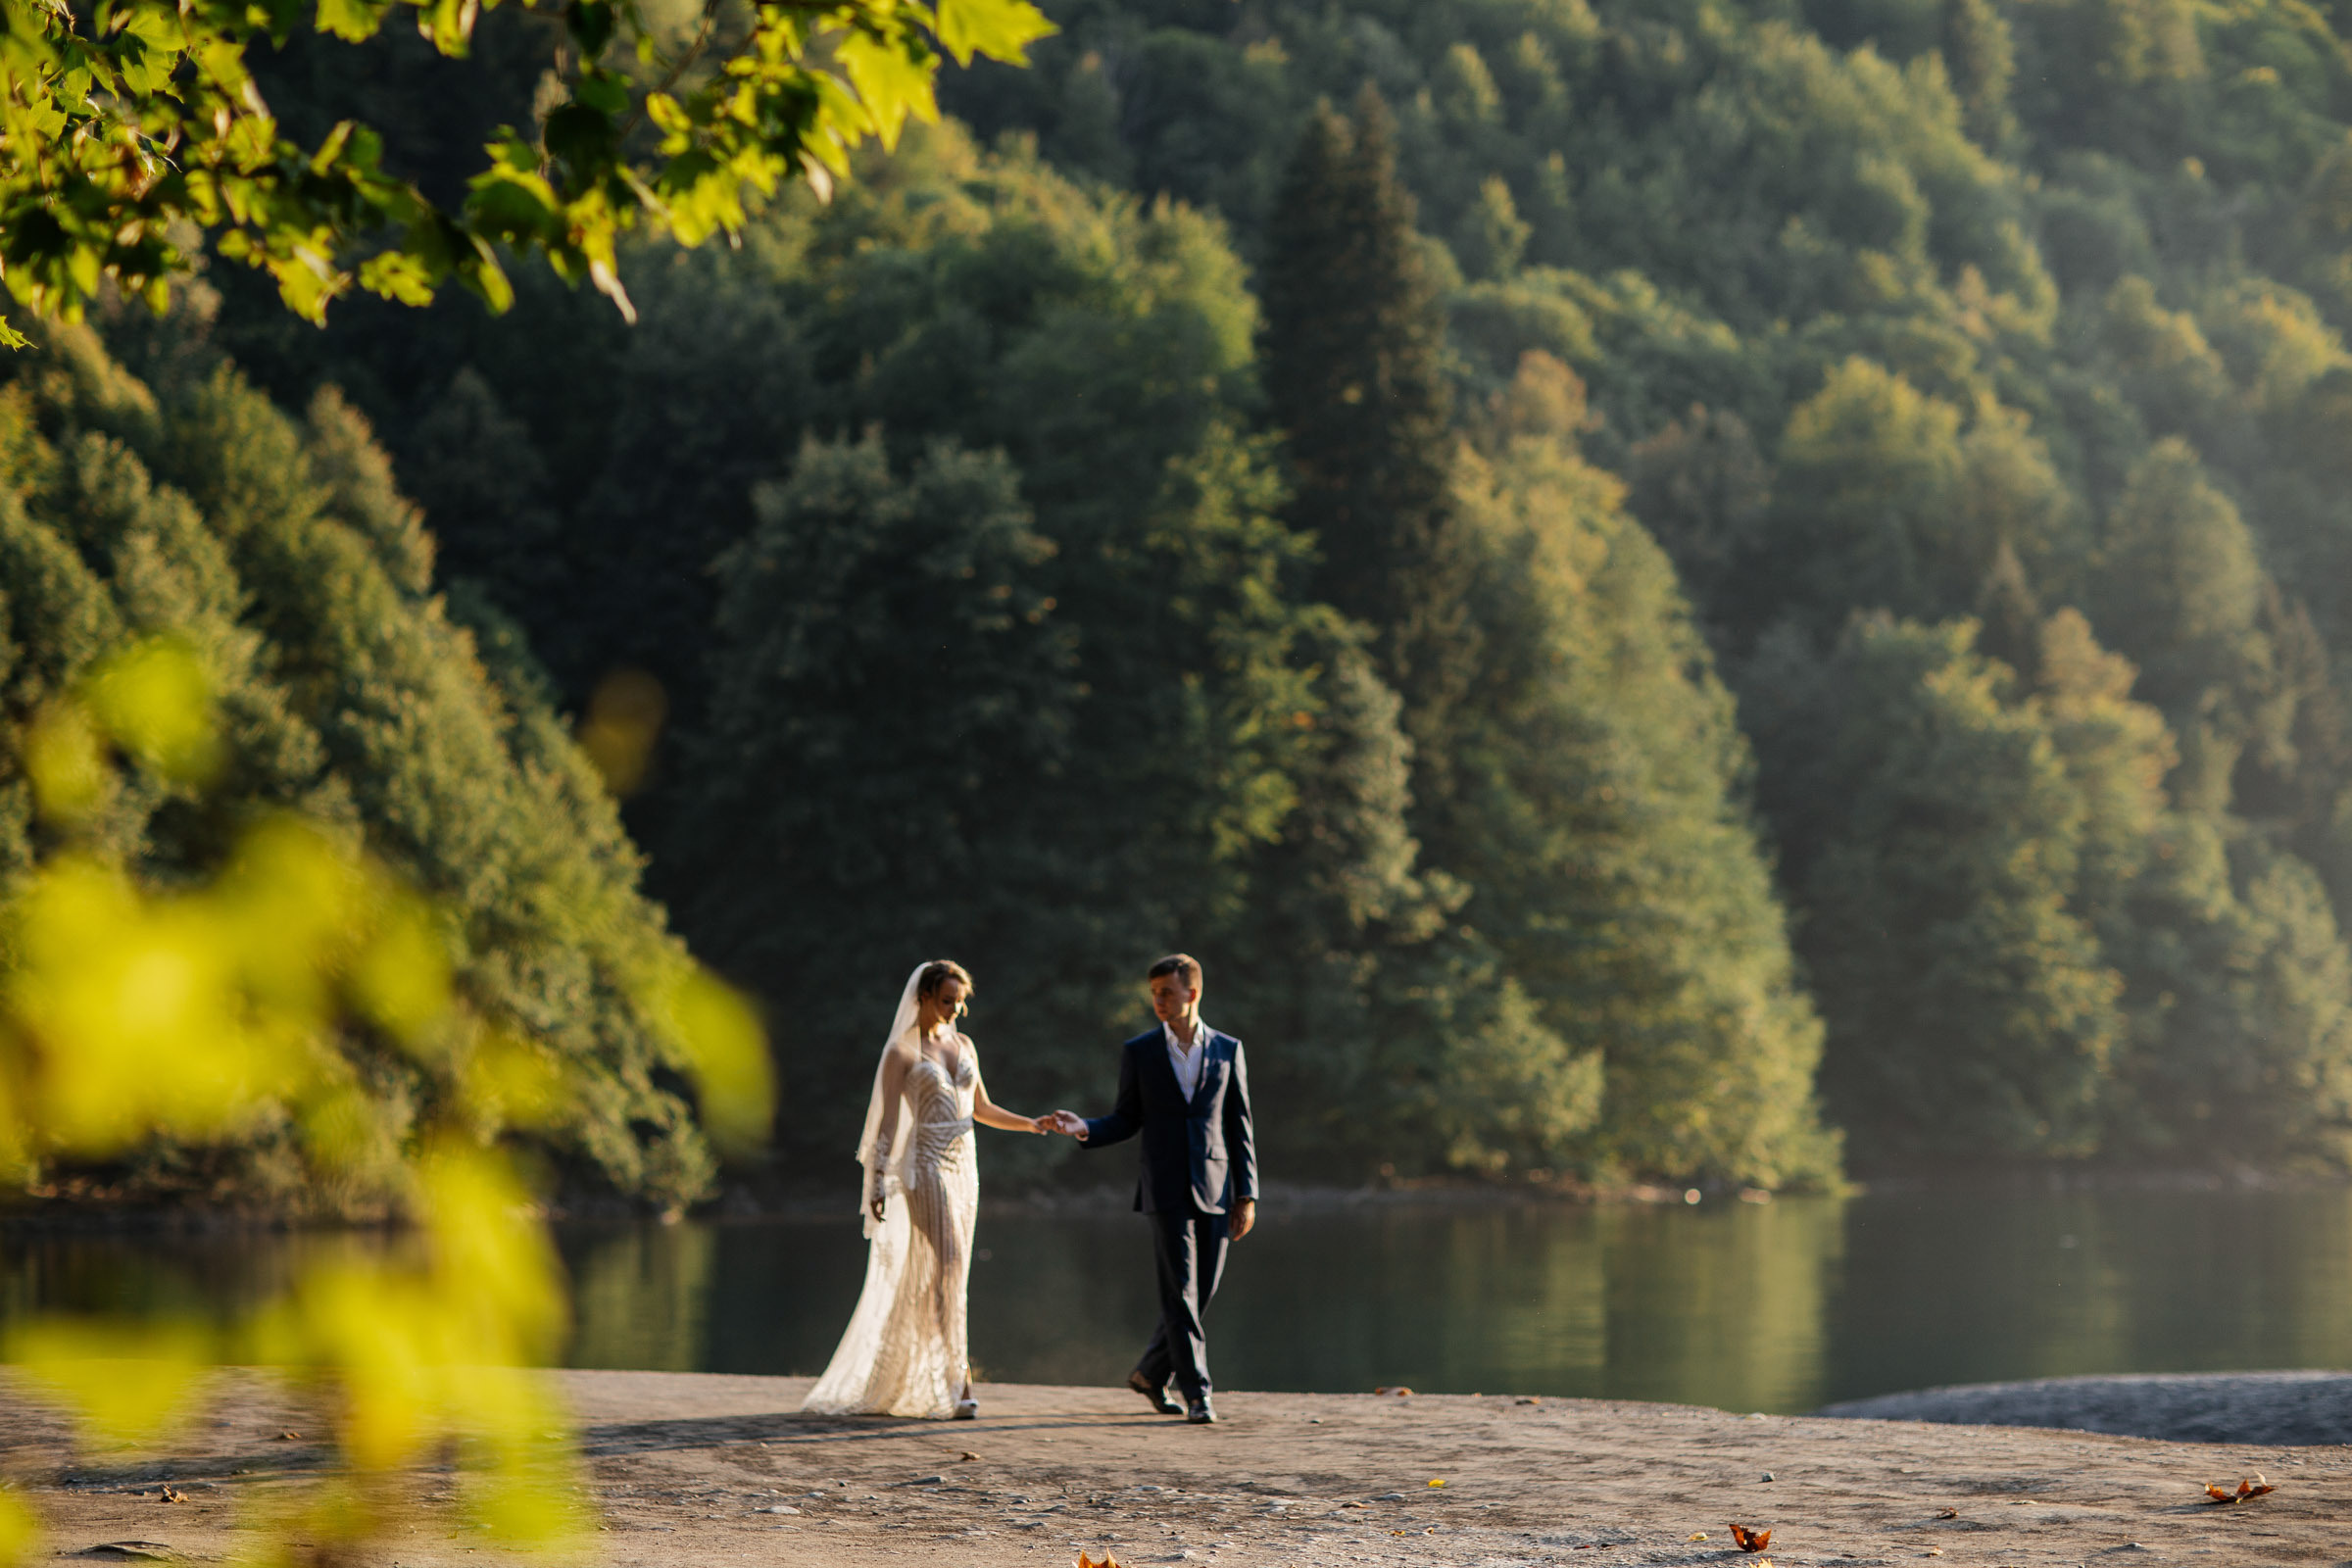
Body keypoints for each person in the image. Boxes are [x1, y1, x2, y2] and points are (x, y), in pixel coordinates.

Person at [802, 960, 1051, 1419]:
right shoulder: (901, 1052)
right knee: (951, 1263)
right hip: (924, 1165)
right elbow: (887, 1123)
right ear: (923, 997)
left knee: (944, 1274)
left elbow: (982, 1108)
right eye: (946, 1000)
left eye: (960, 1001)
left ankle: (914, 1370)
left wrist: (1031, 1124)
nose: (954, 1009)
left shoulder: (965, 1044)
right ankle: (958, 1382)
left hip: (964, 1167)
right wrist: (876, 1181)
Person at [1045, 953, 1257, 1425]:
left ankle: (1148, 1373)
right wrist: (1085, 1127)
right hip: (1163, 1188)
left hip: (1217, 1186)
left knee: (1202, 1292)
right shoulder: (1140, 1051)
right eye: (1154, 993)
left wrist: (1247, 1195)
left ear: (1192, 993)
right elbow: (1126, 1118)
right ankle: (1198, 1392)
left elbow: (1239, 1125)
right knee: (1179, 1291)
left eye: (1167, 992)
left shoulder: (1228, 1048)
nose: (1158, 1001)